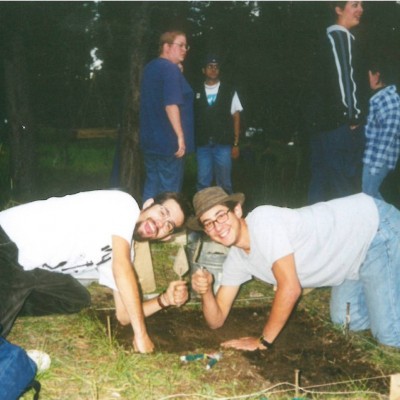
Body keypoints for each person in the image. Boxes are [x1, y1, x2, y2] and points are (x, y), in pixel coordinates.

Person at [189, 186, 400, 350]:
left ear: (237, 210)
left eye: (221, 216)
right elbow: (216, 321)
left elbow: (290, 289)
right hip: (351, 255)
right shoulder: (237, 257)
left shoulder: (263, 222)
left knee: (389, 334)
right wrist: (206, 291)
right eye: (209, 223)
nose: (218, 227)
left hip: (374, 229)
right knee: (347, 320)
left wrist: (263, 341)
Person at [0, 189, 192, 353]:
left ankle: (11, 300)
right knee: (16, 286)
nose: (160, 223)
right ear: (149, 204)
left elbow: (124, 316)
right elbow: (122, 269)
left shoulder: (120, 249)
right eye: (162, 212)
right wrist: (141, 335)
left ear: (166, 237)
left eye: (169, 225)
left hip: (31, 267)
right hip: (8, 242)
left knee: (75, 299)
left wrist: (163, 300)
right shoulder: (125, 205)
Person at [306, 1, 367, 204]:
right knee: (344, 189)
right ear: (339, 9)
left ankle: (316, 232)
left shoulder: (326, 39)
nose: (361, 10)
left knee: (321, 185)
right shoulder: (340, 37)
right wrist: (352, 116)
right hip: (337, 127)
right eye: (355, 4)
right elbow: (345, 80)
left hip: (322, 126)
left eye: (362, 5)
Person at [140, 30, 194, 202]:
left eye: (186, 46)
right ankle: (167, 227)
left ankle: (143, 223)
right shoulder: (170, 69)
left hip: (150, 140)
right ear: (166, 47)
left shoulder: (150, 68)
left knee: (152, 186)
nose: (185, 49)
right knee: (169, 194)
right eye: (180, 45)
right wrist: (180, 137)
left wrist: (178, 73)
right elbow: (171, 104)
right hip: (169, 142)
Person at [194, 55, 243, 194]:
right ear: (204, 70)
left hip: (223, 146)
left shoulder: (229, 91)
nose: (213, 69)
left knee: (225, 184)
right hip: (203, 145)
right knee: (202, 183)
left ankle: (227, 212)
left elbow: (236, 117)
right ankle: (204, 214)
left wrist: (236, 143)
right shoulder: (195, 91)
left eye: (216, 67)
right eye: (210, 66)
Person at [362, 55, 400, 199]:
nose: (368, 79)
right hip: (373, 158)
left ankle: (393, 221)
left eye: (369, 75)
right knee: (371, 195)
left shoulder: (387, 98)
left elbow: (389, 133)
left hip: (377, 159)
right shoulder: (380, 97)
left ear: (377, 75)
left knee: (368, 196)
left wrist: (376, 164)